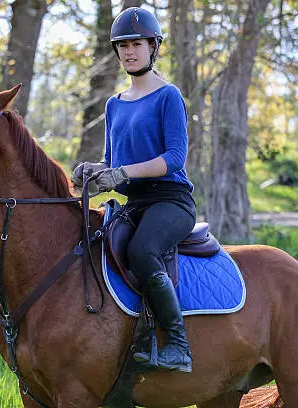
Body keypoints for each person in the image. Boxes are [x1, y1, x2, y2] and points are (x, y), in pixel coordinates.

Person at [72, 7, 196, 373]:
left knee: (142, 250)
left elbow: (175, 157)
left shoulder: (168, 96)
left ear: (153, 47)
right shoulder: (114, 105)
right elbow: (111, 159)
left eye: (136, 44)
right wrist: (95, 171)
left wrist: (122, 172)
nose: (129, 51)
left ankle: (178, 344)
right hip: (134, 203)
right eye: (122, 45)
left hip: (170, 201)